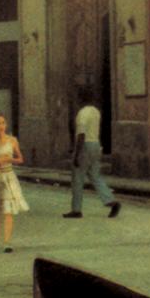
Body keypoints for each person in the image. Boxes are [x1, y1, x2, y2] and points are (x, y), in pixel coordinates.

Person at [64, 83, 120, 218]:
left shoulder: (82, 114)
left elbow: (81, 135)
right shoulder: (96, 112)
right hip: (96, 144)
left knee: (77, 178)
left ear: (80, 98)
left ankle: (76, 210)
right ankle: (111, 201)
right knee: (95, 176)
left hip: (85, 146)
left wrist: (76, 154)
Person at [0, 111, 29, 251]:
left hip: (9, 176)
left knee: (8, 209)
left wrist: (9, 159)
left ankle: (8, 242)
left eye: (3, 123)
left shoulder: (12, 140)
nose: (1, 126)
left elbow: (20, 159)